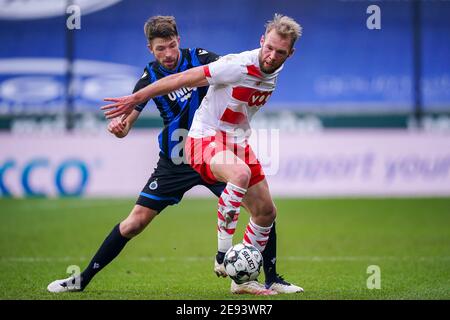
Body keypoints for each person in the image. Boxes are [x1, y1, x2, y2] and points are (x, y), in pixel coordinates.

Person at [47, 15, 298, 295]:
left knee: (263, 209)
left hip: (219, 150)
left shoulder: (203, 58)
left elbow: (230, 70)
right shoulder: (149, 78)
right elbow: (126, 124)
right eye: (160, 49)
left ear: (179, 40)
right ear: (150, 50)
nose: (167, 54)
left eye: (171, 46)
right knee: (135, 223)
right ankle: (81, 280)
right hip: (177, 159)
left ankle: (270, 277)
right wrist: (120, 126)